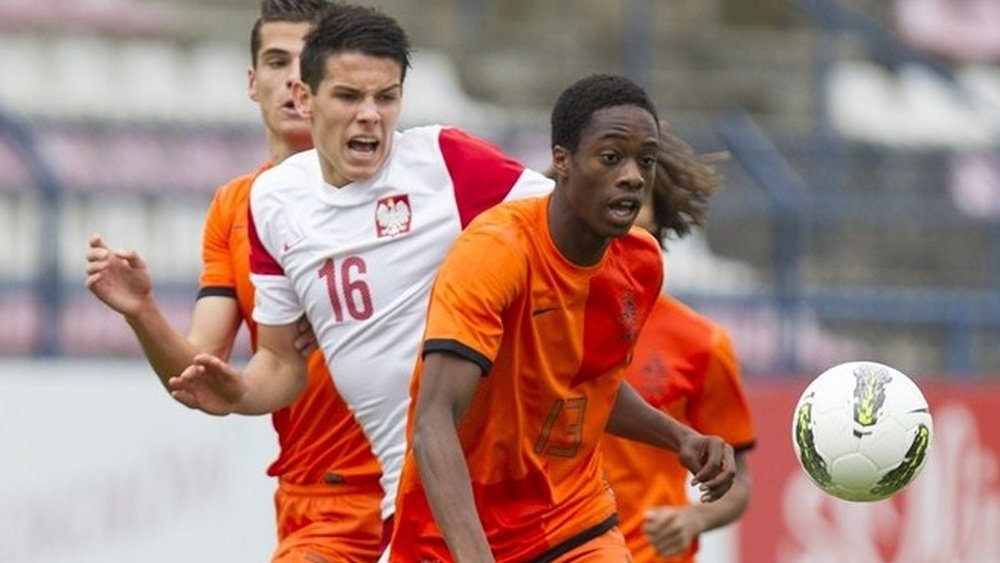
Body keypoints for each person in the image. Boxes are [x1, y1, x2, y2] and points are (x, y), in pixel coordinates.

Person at [165, 1, 554, 542]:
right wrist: (235, 393)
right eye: (349, 95)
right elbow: (277, 360)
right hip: (377, 495)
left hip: (505, 486)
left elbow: (568, 231)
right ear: (306, 95)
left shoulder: (444, 162)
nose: (369, 113)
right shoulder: (267, 203)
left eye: (385, 97)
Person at [389, 73, 737, 562]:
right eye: (612, 157)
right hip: (451, 536)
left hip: (568, 518)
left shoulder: (640, 261)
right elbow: (434, 423)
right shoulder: (496, 252)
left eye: (646, 161)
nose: (634, 176)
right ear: (562, 161)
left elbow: (593, 382)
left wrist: (680, 437)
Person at [85, 2, 388, 561]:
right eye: (277, 61)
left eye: (311, 61)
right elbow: (200, 371)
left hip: (430, 488)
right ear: (253, 82)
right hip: (322, 506)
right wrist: (143, 310)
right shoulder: (234, 207)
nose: (295, 78)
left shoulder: (411, 185)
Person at [600, 126, 756, 562]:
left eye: (638, 199)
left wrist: (694, 519)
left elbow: (738, 479)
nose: (623, 212)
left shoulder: (701, 342)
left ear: (660, 217)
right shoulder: (534, 323)